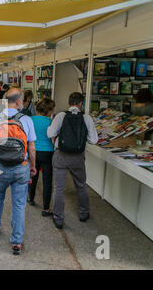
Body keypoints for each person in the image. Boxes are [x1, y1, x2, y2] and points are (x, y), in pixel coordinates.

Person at [0, 88, 37, 255]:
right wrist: (32, 165)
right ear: (18, 102)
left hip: (1, 167)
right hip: (21, 167)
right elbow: (31, 147)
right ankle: (16, 242)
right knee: (19, 204)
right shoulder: (27, 120)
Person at [47, 92, 98, 230]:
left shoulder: (60, 116)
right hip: (78, 157)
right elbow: (93, 140)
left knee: (58, 188)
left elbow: (50, 133)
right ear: (81, 104)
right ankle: (84, 213)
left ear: (69, 103)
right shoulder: (86, 118)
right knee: (81, 185)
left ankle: (58, 218)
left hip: (61, 156)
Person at [28, 98, 56, 217]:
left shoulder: (30, 120)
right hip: (47, 152)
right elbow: (53, 138)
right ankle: (46, 208)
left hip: (33, 152)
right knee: (47, 181)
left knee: (33, 176)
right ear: (48, 110)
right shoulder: (50, 122)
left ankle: (31, 198)